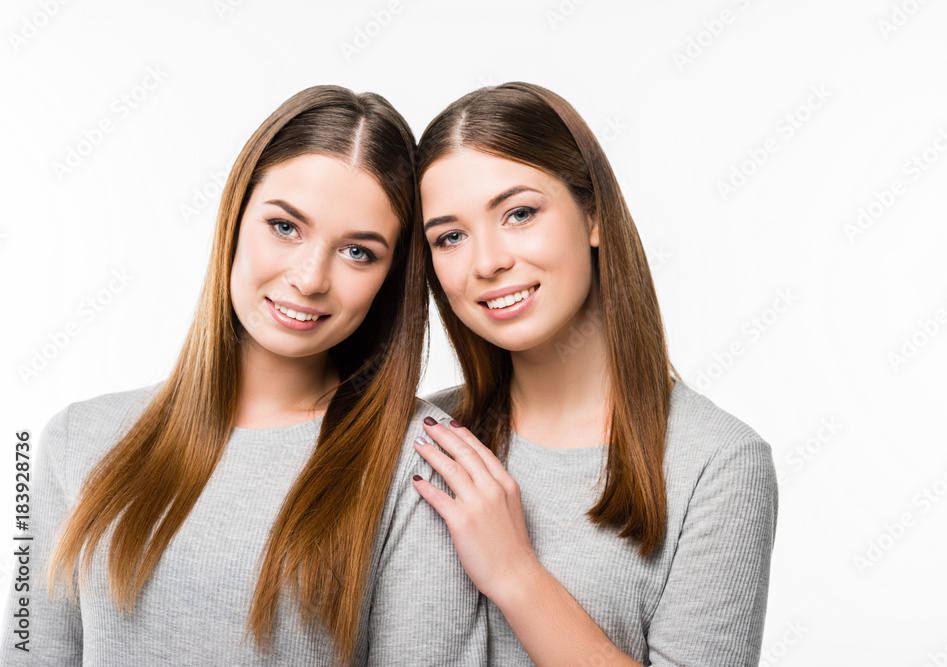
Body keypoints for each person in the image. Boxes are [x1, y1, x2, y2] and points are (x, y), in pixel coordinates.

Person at [0, 85, 484, 666]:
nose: (309, 278)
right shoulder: (76, 439)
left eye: (358, 252)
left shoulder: (423, 462)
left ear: (391, 276)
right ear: (235, 218)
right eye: (285, 227)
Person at [410, 82, 779, 666]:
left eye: (519, 213)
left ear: (594, 216)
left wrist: (517, 576)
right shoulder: (424, 439)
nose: (487, 262)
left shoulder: (716, 462)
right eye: (450, 237)